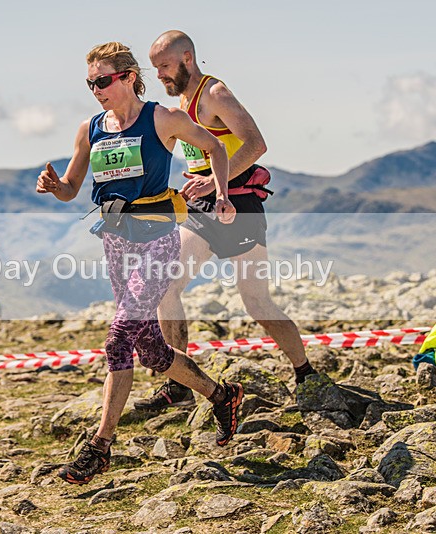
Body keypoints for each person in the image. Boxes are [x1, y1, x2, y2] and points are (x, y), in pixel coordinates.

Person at [37, 42, 243, 485]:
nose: (96, 90)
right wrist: (54, 185)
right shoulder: (90, 128)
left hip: (158, 241)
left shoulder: (162, 118)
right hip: (116, 242)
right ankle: (221, 395)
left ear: (129, 77)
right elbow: (72, 188)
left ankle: (99, 447)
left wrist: (221, 191)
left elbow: (218, 149)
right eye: (90, 83)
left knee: (117, 340)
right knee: (149, 348)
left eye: (103, 81)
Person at [136, 30, 316, 412]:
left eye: (164, 67)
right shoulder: (180, 102)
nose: (160, 76)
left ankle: (306, 373)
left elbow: (255, 144)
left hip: (240, 205)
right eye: (155, 70)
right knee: (165, 285)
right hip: (203, 208)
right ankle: (179, 382)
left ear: (187, 58)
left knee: (256, 302)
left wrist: (216, 181)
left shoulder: (214, 93)